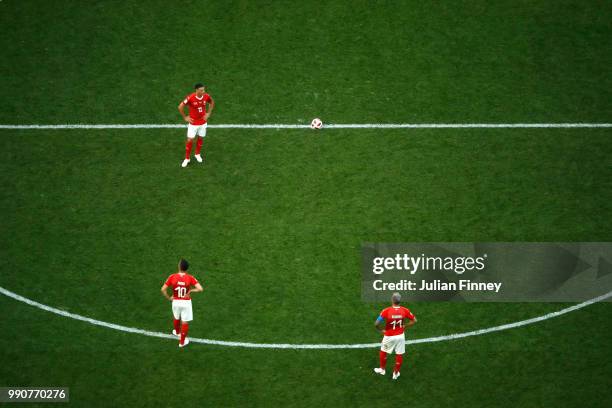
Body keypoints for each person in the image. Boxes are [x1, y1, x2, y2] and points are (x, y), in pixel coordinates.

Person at [373, 292, 417, 380]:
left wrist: (381, 330)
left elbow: (376, 323)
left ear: (392, 300)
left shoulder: (386, 311)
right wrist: (405, 326)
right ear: (400, 301)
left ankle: (382, 369)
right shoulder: (405, 310)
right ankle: (395, 373)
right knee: (399, 354)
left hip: (389, 336)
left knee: (383, 351)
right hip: (400, 335)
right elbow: (414, 320)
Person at [161, 259, 203, 347]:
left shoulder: (172, 276)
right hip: (186, 303)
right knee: (184, 322)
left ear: (179, 267)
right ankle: (182, 342)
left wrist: (169, 298)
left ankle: (176, 332)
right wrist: (191, 291)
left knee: (176, 317)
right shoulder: (190, 277)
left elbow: (163, 289)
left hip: (175, 301)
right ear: (186, 268)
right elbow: (200, 289)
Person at [178, 83, 215, 168]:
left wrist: (208, 113)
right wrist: (185, 117)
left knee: (201, 137)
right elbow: (180, 107)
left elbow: (212, 102)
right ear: (197, 90)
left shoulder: (206, 96)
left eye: (204, 90)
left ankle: (197, 154)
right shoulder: (191, 97)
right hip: (193, 123)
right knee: (190, 140)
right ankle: (187, 158)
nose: (203, 91)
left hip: (203, 122)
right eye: (201, 90)